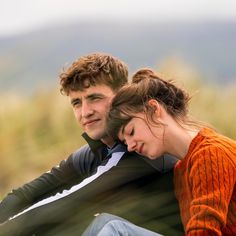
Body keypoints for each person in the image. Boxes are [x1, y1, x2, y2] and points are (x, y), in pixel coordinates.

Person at [0, 55, 183, 235]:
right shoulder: (95, 151)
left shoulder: (142, 152)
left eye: (95, 98)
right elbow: (27, 194)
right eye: (77, 103)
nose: (85, 112)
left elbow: (67, 203)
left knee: (102, 224)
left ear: (121, 96)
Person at [84, 68, 236, 235]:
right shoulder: (181, 170)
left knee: (112, 228)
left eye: (131, 132)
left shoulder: (211, 153)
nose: (130, 146)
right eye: (125, 142)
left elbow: (204, 231)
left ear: (154, 110)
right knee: (103, 223)